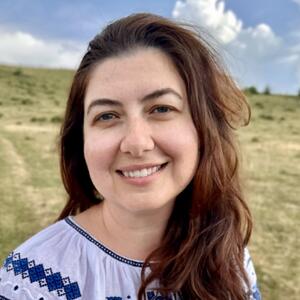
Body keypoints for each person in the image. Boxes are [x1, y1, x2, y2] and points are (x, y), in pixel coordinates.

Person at [0, 13, 261, 300]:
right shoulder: (34, 279)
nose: (136, 144)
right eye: (107, 115)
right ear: (81, 140)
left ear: (203, 127)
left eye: (161, 108)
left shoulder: (227, 252)